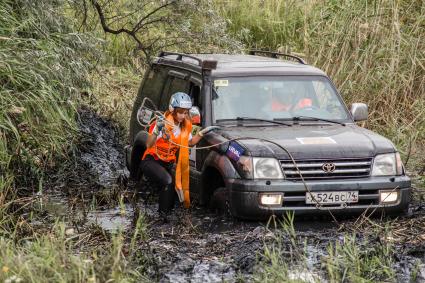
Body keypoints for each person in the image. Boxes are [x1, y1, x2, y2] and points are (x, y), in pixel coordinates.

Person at [139, 92, 216, 216]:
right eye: (180, 112)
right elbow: (148, 144)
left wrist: (202, 133)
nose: (182, 115)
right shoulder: (162, 123)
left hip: (167, 164)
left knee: (172, 191)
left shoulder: (184, 127)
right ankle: (162, 216)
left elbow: (190, 143)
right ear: (172, 110)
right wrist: (156, 130)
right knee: (168, 182)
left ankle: (167, 215)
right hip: (152, 160)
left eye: (185, 113)